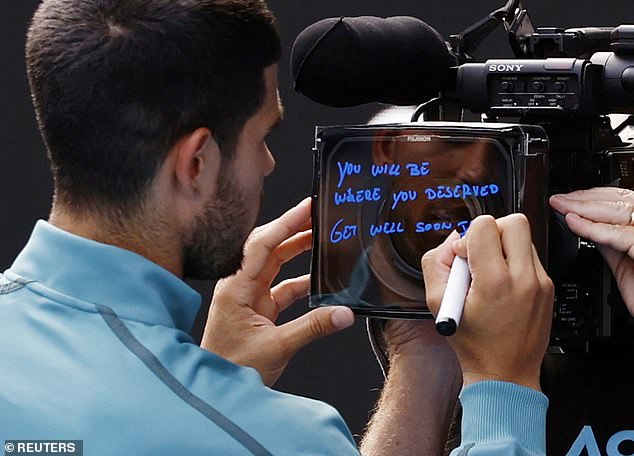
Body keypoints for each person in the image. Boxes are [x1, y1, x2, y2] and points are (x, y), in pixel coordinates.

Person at [0, 0, 556, 454]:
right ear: (196, 164)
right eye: (262, 138)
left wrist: (212, 382)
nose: (268, 165)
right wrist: (501, 385)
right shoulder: (281, 441)